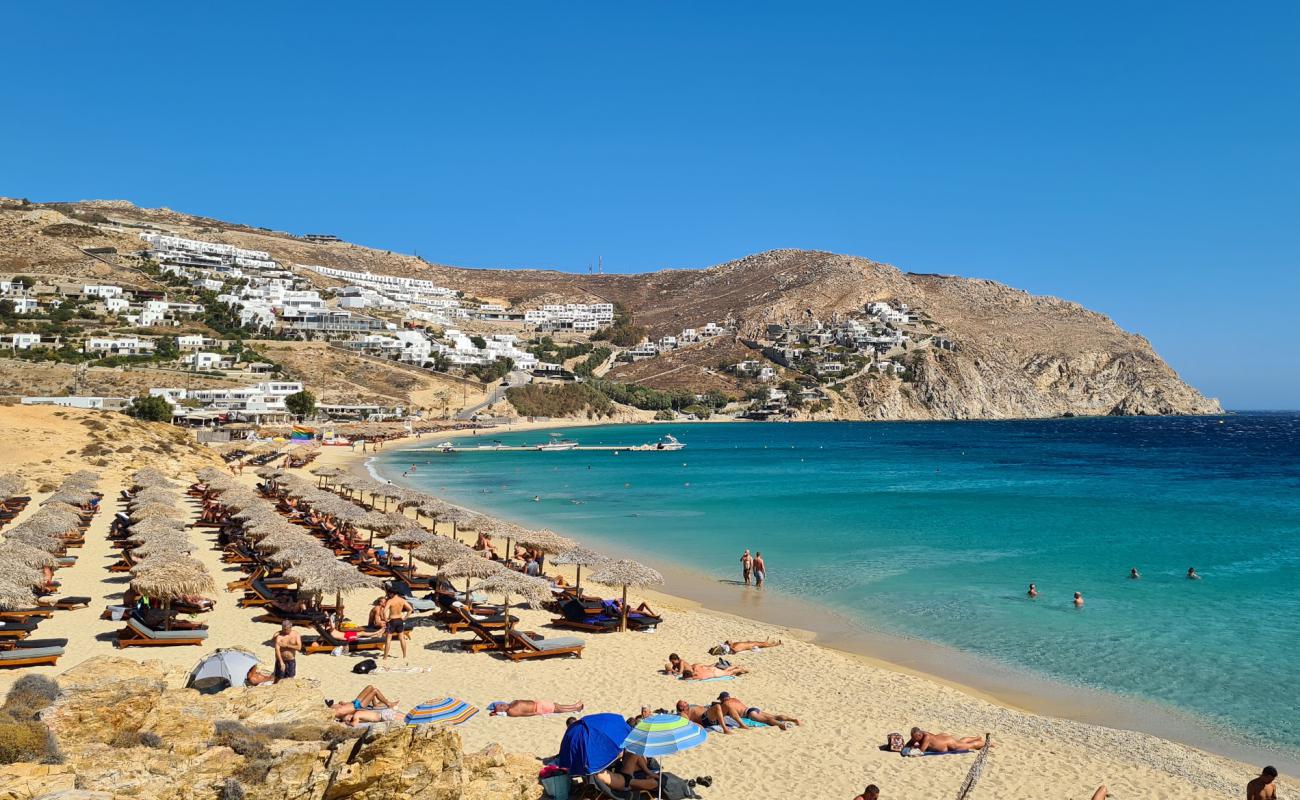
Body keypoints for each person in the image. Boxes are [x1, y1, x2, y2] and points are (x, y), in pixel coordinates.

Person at [716, 691, 800, 730]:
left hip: (749, 714)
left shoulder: (726, 704)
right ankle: (793, 720)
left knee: (767, 720)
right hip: (752, 709)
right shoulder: (734, 699)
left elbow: (724, 713)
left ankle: (781, 724)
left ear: (722, 699)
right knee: (775, 716)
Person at [330, 686, 398, 719]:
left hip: (355, 702)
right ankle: (389, 704)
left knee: (370, 687)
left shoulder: (334, 707)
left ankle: (375, 704)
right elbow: (346, 715)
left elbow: (343, 706)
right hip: (358, 706)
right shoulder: (335, 712)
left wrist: (342, 703)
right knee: (375, 691)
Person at [381, 589, 413, 660]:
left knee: (388, 639)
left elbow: (384, 612)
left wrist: (386, 619)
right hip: (400, 620)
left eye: (389, 594)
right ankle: (404, 655)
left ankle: (385, 657)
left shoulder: (390, 601)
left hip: (392, 620)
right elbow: (410, 609)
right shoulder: (402, 600)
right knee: (402, 638)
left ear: (392, 593)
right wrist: (405, 618)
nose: (388, 595)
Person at [905, 727, 987, 753]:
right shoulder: (919, 734)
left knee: (969, 745)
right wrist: (910, 744)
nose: (913, 739)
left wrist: (912, 747)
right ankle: (977, 737)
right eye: (912, 737)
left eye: (914, 737)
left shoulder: (926, 737)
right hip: (943, 738)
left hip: (948, 744)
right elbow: (910, 742)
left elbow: (921, 751)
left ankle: (988, 744)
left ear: (919, 735)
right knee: (961, 742)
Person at [486, 699, 584, 717]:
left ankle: (574, 706)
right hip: (538, 708)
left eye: (500, 704)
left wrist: (495, 712)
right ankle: (575, 709)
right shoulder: (511, 711)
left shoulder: (510, 705)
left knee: (556, 705)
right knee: (557, 709)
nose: (502, 704)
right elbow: (524, 714)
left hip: (537, 703)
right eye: (500, 706)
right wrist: (537, 713)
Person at [680, 661, 749, 680]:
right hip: (712, 670)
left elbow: (690, 678)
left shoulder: (696, 677)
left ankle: (741, 669)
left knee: (730, 673)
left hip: (714, 674)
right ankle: (735, 666)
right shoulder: (696, 671)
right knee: (726, 671)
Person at [710, 639, 782, 656]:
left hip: (748, 644)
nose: (730, 641)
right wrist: (729, 646)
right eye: (729, 642)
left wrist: (728, 644)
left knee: (761, 643)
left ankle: (773, 643)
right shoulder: (733, 647)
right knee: (763, 644)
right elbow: (735, 651)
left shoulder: (732, 645)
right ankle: (777, 644)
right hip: (750, 645)